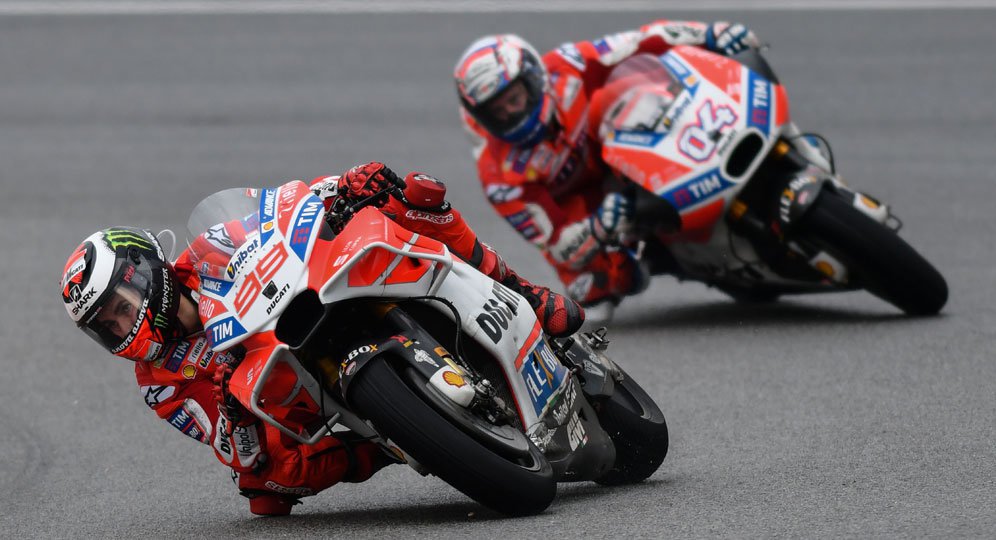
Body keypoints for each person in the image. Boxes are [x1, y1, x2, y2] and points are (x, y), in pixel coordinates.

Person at [59, 162, 584, 516]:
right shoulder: (161, 381)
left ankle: (524, 292)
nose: (120, 328)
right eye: (106, 327)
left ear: (145, 274)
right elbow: (232, 449)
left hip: (311, 296)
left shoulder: (206, 251)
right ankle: (384, 443)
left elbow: (280, 211)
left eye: (119, 310)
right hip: (291, 397)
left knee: (409, 198)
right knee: (264, 490)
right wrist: (234, 419)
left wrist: (342, 187)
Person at [454, 20, 761, 317]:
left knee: (634, 86)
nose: (511, 113)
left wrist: (709, 35)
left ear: (533, 79)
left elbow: (639, 41)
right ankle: (662, 256)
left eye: (514, 99)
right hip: (584, 207)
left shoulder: (568, 65)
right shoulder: (499, 175)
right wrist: (599, 225)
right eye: (498, 111)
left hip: (621, 147)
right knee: (590, 286)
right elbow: (556, 243)